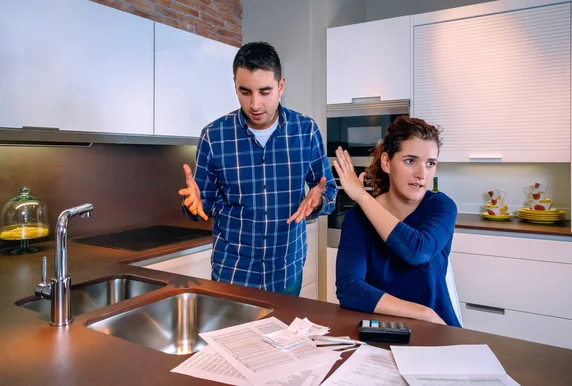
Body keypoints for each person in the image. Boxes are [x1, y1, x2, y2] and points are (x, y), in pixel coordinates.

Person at [178, 41, 337, 296]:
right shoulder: (213, 136)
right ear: (235, 86)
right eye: (245, 92)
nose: (254, 104)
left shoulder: (306, 131)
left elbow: (328, 190)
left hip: (286, 271)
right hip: (232, 274)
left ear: (280, 86)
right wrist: (194, 207)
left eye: (265, 92)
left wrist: (318, 201)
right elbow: (202, 204)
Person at [333, 116, 460, 326]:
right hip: (383, 329)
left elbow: (417, 251)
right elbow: (349, 288)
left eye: (430, 163)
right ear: (386, 162)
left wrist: (363, 197)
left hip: (439, 328)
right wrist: (421, 313)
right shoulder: (357, 218)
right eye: (410, 161)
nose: (422, 174)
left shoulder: (441, 207)